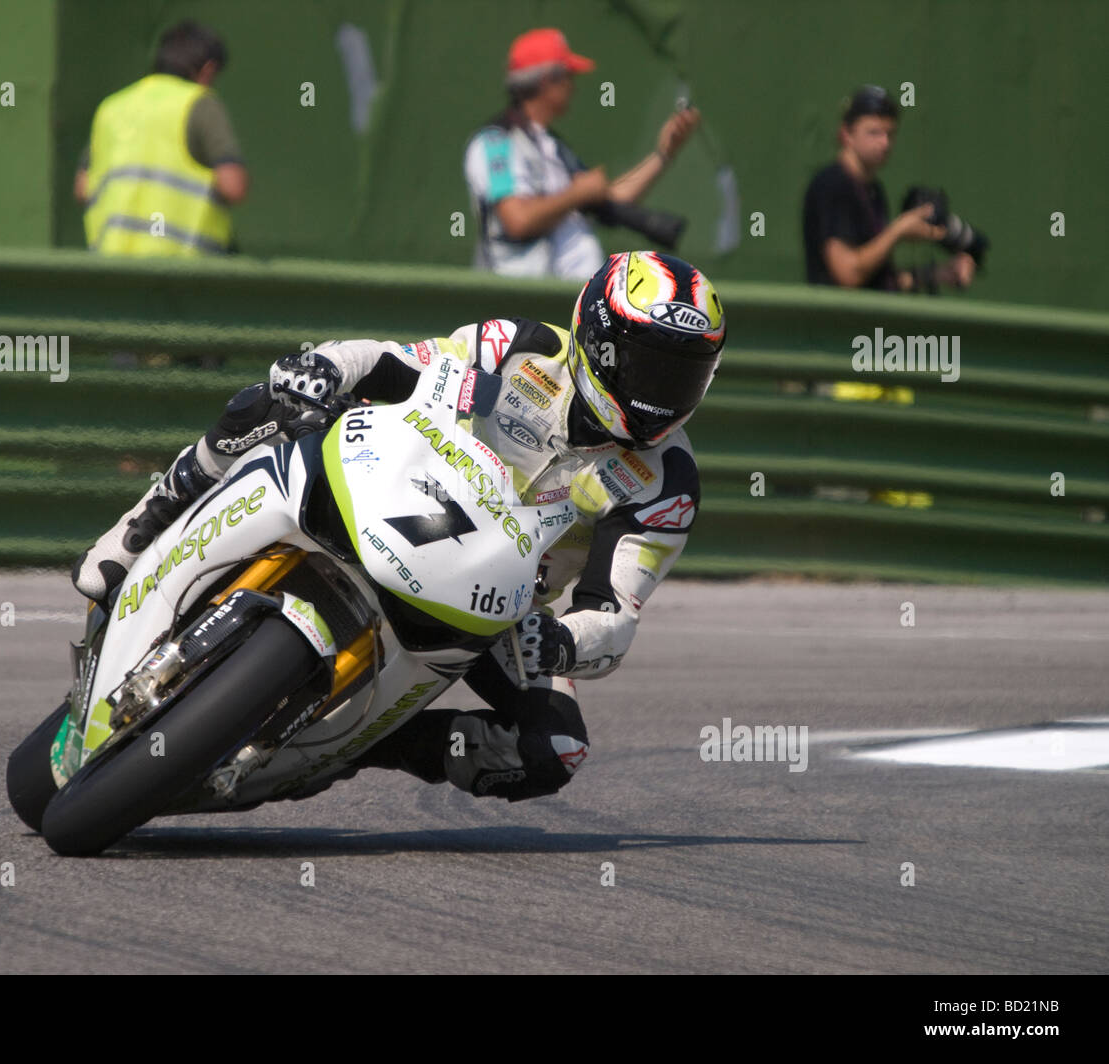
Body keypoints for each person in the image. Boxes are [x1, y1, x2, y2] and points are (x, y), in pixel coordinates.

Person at [71, 251, 726, 802]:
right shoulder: (520, 348)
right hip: (396, 486)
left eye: (684, 376)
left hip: (495, 605)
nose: (661, 394)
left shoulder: (666, 481)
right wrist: (328, 369)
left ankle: (357, 744)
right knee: (277, 395)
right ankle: (153, 514)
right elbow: (401, 363)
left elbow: (614, 616)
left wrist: (558, 641)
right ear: (598, 339)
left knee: (554, 750)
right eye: (650, 366)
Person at [464, 28, 700, 280]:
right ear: (547, 80)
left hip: (567, 300)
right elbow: (518, 220)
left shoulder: (551, 146)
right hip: (523, 303)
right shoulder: (494, 142)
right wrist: (576, 194)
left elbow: (610, 199)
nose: (573, 86)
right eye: (569, 76)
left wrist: (663, 154)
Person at [76, 19, 247, 257]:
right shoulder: (201, 104)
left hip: (111, 268)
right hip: (181, 271)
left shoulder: (112, 108)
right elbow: (233, 186)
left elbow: (83, 187)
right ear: (208, 69)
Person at [802, 85, 974, 292]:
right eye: (874, 132)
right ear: (846, 134)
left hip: (869, 323)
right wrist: (898, 230)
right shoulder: (831, 185)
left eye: (889, 134)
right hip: (837, 322)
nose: (884, 143)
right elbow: (848, 274)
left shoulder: (874, 190)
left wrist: (939, 273)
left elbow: (879, 284)